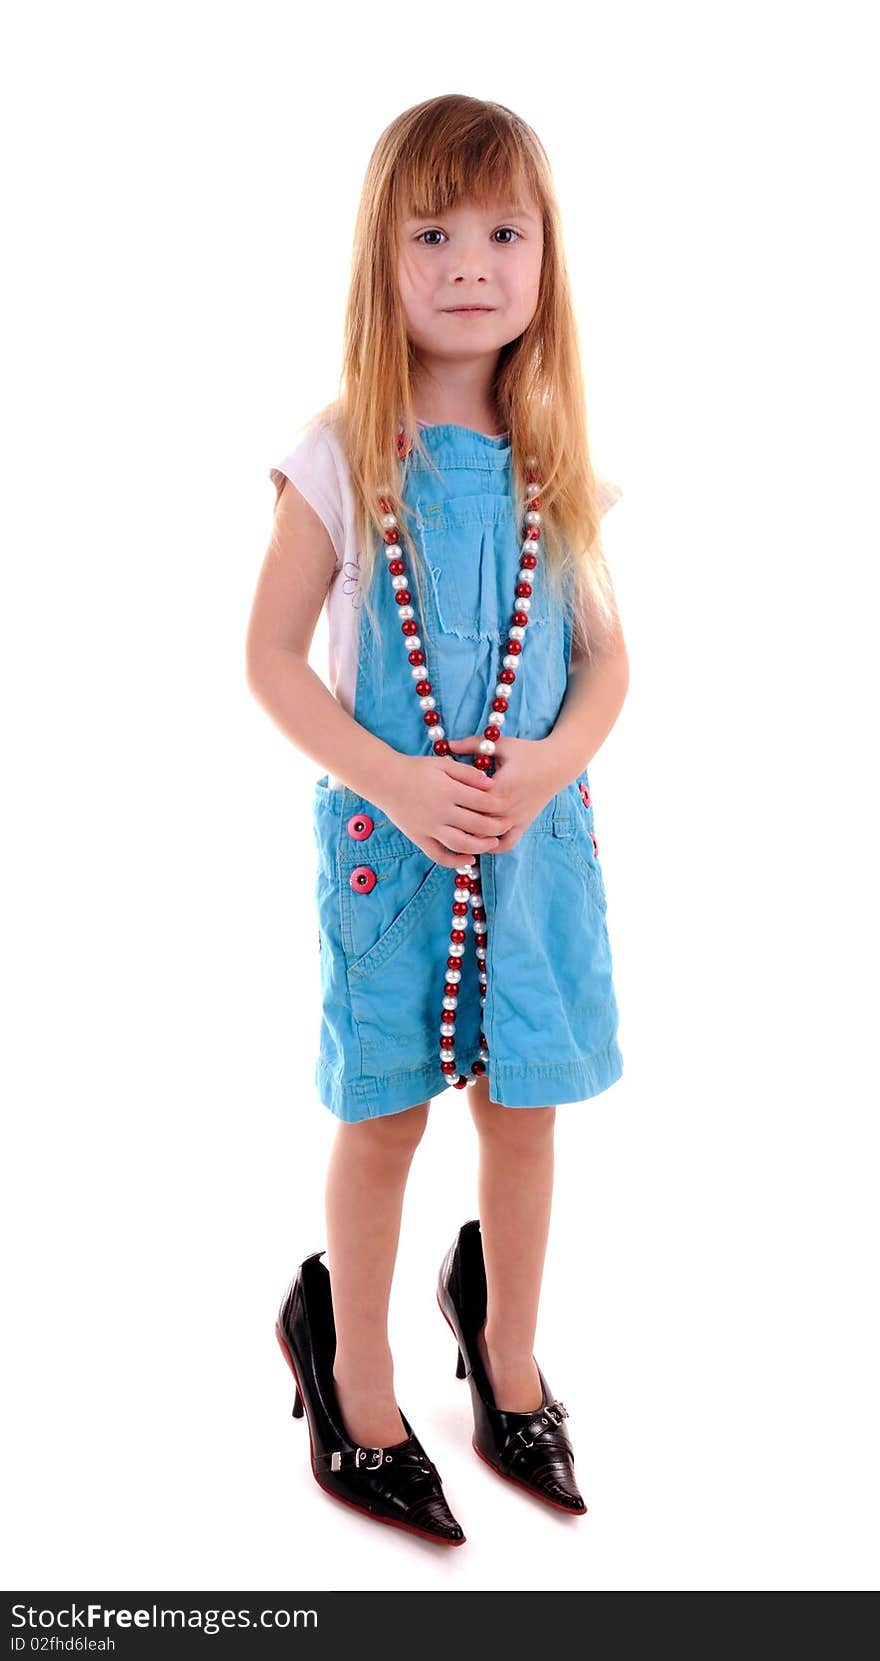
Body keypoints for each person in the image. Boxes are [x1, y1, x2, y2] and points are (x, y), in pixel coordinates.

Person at [246, 93, 629, 1547]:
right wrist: (397, 780)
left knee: (522, 1108)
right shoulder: (343, 452)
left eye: (503, 230)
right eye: (433, 231)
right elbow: (270, 659)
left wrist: (545, 765)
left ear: (545, 258)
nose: (471, 262)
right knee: (387, 1110)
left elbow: (609, 665)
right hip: (391, 863)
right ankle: (351, 1371)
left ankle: (509, 1351)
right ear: (382, 256)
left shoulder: (552, 460)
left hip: (535, 863)